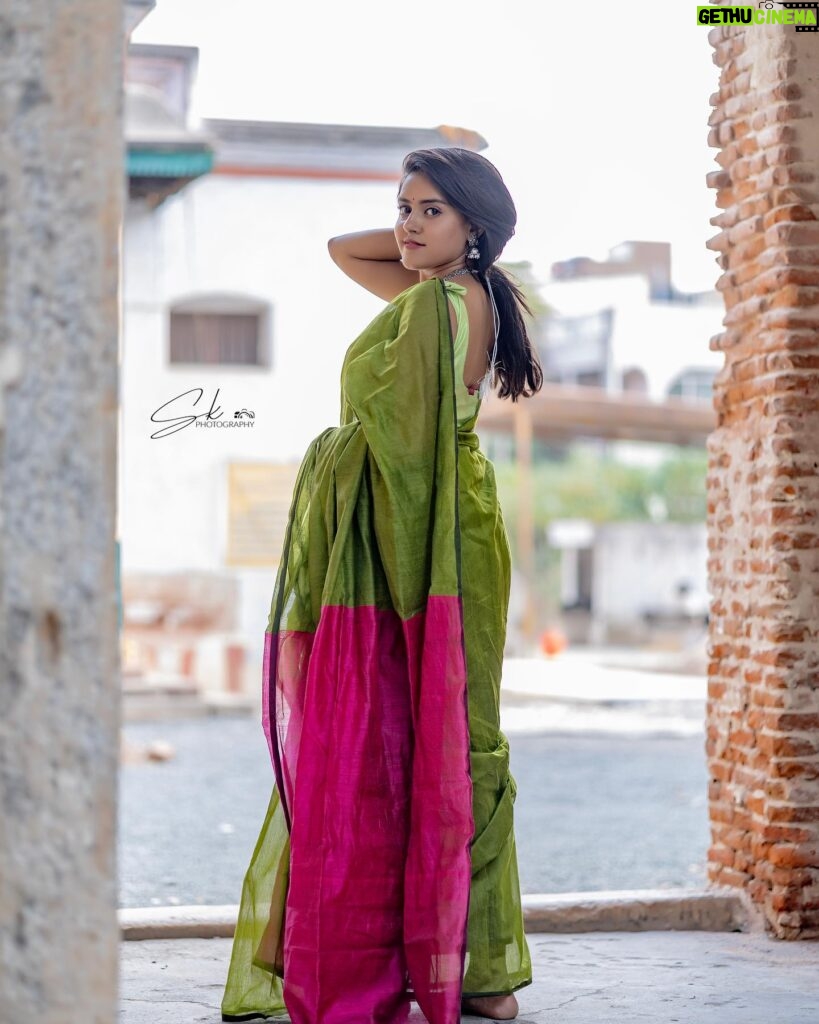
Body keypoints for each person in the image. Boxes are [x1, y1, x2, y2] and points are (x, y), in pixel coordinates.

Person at [220, 146, 543, 1024]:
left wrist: (461, 227)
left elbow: (403, 442)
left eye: (428, 210)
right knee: (428, 732)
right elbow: (343, 247)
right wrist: (439, 222)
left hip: (424, 525)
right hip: (429, 514)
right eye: (401, 205)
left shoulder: (441, 302)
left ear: (473, 223)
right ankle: (467, 967)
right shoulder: (447, 295)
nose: (403, 224)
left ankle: (469, 967)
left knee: (440, 737)